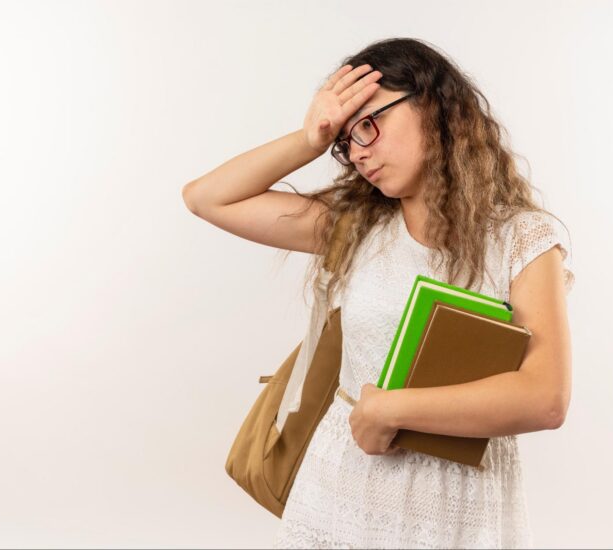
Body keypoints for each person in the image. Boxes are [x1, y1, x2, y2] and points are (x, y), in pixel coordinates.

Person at [183, 37, 574, 550]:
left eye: (369, 124)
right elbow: (206, 198)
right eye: (346, 141)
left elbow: (546, 398)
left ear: (433, 108)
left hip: (461, 509)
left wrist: (389, 411)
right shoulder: (355, 227)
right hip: (340, 497)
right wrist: (310, 137)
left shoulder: (520, 238)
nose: (358, 152)